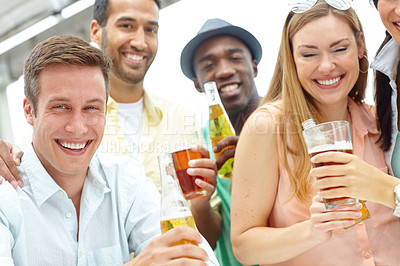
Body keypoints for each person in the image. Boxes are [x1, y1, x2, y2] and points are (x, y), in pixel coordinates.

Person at [0, 35, 219, 265]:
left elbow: (198, 258)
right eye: (61, 107)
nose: (78, 127)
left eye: (91, 107)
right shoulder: (6, 198)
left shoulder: (125, 181)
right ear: (28, 110)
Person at [231, 1, 400, 265]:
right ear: (292, 58)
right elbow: (244, 246)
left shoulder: (383, 120)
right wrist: (312, 230)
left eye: (339, 49)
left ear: (360, 45)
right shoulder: (266, 127)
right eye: (309, 54)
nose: (326, 66)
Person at [0, 0, 217, 194]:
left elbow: (207, 230)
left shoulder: (181, 118)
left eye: (150, 29)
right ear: (96, 31)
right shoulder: (54, 125)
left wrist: (202, 199)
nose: (140, 42)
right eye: (126, 26)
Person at [180, 18, 261, 265]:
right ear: (197, 83)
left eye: (235, 58)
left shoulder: (288, 120)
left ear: (254, 66)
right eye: (208, 65)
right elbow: (209, 239)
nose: (224, 71)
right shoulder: (199, 148)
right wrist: (201, 202)